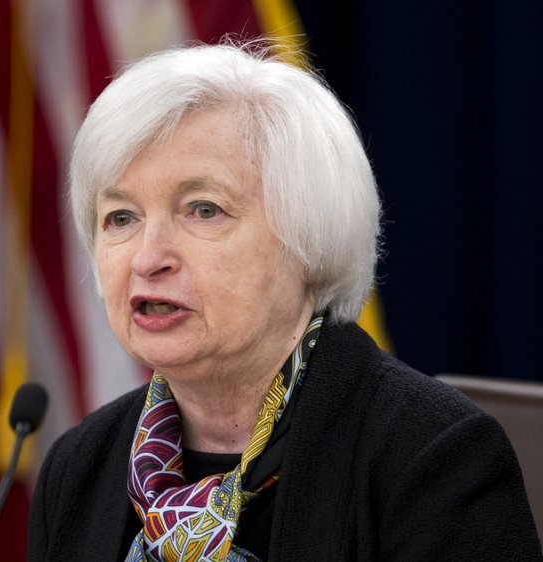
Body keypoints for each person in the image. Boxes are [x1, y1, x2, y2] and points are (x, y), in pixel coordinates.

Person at [28, 41, 542, 561]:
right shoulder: (79, 467)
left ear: (308, 240)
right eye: (121, 217)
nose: (147, 258)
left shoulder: (433, 459)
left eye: (203, 209)